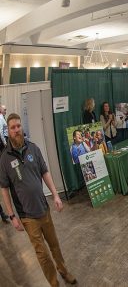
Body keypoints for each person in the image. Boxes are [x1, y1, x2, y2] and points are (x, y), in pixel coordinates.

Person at [0, 113, 77, 286]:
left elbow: (45, 172)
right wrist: (12, 216)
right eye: (12, 127)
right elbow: (4, 188)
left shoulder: (33, 148)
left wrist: (56, 195)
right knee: (42, 254)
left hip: (44, 208)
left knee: (54, 245)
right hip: (27, 216)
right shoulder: (5, 158)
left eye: (18, 126)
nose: (17, 130)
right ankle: (53, 282)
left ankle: (64, 271)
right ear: (8, 131)